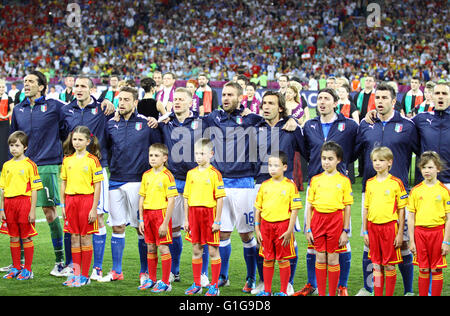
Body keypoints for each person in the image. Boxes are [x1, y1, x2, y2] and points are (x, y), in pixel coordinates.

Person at [202, 81, 297, 292]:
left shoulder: (253, 119)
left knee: (247, 235)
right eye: (223, 94)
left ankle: (253, 278)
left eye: (230, 95)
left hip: (245, 182)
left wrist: (292, 119)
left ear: (240, 97)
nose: (225, 98)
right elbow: (187, 118)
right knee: (222, 233)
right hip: (220, 184)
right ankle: (223, 277)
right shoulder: (212, 118)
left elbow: (276, 120)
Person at [355, 82, 419, 296]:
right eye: (377, 98)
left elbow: (420, 153)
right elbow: (355, 152)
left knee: (401, 243)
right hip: (370, 190)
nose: (380, 102)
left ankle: (408, 290)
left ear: (394, 101)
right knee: (369, 244)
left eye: (384, 98)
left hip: (398, 193)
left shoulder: (408, 126)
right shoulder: (366, 125)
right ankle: (368, 287)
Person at [296, 88, 358, 297]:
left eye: (326, 99)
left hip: (338, 187)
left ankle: (341, 285)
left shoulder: (348, 125)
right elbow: (307, 151)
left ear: (335, 103)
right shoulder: (309, 125)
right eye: (319, 98)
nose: (322, 102)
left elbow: (356, 148)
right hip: (315, 184)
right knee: (313, 242)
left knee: (341, 244)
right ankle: (312, 284)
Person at [101, 86, 161, 284]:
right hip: (115, 180)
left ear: (136, 102)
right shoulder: (110, 124)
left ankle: (144, 272)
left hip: (138, 183)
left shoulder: (147, 124)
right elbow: (104, 148)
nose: (122, 103)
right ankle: (117, 270)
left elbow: (157, 150)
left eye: (127, 99)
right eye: (120, 99)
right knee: (117, 227)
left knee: (140, 229)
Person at [10, 70, 67, 276]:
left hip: (47, 165)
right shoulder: (18, 109)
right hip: (23, 167)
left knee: (50, 212)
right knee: (21, 213)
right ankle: (21, 262)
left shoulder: (55, 107)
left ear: (42, 86)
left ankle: (61, 261)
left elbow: (68, 127)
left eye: (31, 81)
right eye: (25, 81)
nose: (26, 84)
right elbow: (15, 138)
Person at [60, 76, 115, 280]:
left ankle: (97, 268)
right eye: (77, 86)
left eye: (84, 86)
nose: (79, 89)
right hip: (75, 170)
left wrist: (110, 102)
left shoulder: (103, 109)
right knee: (74, 226)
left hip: (97, 168)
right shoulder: (66, 110)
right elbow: (62, 135)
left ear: (92, 89)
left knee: (98, 217)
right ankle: (74, 269)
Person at [253, 90, 305, 295]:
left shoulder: (291, 128)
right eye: (264, 103)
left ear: (281, 108)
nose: (265, 106)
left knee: (288, 237)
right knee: (263, 237)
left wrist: (294, 121)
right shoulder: (256, 128)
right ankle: (263, 283)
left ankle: (288, 282)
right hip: (261, 185)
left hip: (285, 187)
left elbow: (306, 151)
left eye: (271, 103)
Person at [158, 87, 206, 284]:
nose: (177, 102)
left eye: (181, 99)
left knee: (200, 231)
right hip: (175, 180)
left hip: (198, 181)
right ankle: (175, 270)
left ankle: (203, 274)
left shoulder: (202, 123)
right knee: (175, 228)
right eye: (174, 99)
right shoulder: (165, 124)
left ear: (190, 102)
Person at [305, 141, 353, 296]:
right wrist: (308, 228)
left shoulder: (344, 181)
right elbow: (309, 206)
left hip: (335, 221)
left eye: (330, 158)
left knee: (333, 259)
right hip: (318, 221)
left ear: (338, 160)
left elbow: (347, 207)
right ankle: (322, 293)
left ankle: (332, 293)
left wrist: (345, 230)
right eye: (324, 158)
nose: (326, 161)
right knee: (319, 258)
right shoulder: (315, 179)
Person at [60, 126, 103, 287]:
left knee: (85, 237)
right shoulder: (67, 160)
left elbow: (98, 186)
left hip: (86, 201)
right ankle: (76, 274)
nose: (76, 142)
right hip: (71, 202)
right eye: (74, 139)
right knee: (74, 237)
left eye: (80, 139)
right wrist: (63, 204)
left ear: (87, 141)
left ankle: (85, 275)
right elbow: (63, 183)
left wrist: (94, 207)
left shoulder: (93, 160)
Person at [254, 151, 302, 296]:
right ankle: (267, 291)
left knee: (282, 260)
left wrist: (289, 230)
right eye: (270, 165)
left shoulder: (290, 186)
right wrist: (257, 227)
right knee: (267, 258)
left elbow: (294, 210)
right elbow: (258, 208)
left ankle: (283, 291)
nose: (272, 168)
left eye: (276, 165)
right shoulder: (264, 185)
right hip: (266, 227)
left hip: (283, 227)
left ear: (285, 167)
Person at [362, 146, 407, 296]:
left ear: (390, 162)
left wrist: (400, 233)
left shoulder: (396, 183)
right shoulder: (369, 183)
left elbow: (402, 210)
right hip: (373, 228)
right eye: (375, 160)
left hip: (390, 228)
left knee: (388, 266)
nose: (377, 163)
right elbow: (366, 208)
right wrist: (365, 231)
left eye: (381, 160)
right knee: (376, 265)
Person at [183, 138, 225, 296]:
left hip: (209, 215)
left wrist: (217, 220)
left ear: (211, 154)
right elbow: (186, 198)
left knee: (213, 251)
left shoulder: (215, 174)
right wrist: (186, 219)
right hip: (194, 215)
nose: (198, 156)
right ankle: (197, 284)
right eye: (196, 153)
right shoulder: (191, 174)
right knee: (196, 249)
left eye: (202, 153)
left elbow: (220, 198)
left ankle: (214, 286)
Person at [0, 131, 43, 280]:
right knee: (13, 237)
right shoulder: (6, 165)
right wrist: (1, 209)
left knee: (26, 237)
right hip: (9, 204)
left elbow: (35, 189)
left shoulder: (31, 165)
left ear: (25, 147)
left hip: (24, 203)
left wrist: (32, 210)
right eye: (11, 145)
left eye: (17, 145)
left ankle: (28, 270)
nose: (13, 148)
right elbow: (3, 189)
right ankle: (16, 267)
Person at [408, 151, 450, 296]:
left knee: (436, 269)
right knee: (423, 269)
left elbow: (449, 218)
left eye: (431, 167)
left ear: (438, 168)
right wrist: (412, 240)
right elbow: (411, 217)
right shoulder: (415, 190)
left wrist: (446, 241)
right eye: (424, 167)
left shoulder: (444, 191)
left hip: (438, 233)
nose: (427, 171)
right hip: (420, 234)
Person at [137, 143, 177, 293]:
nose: (153, 158)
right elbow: (142, 197)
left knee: (163, 247)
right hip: (147, 215)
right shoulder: (146, 175)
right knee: (150, 246)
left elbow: (172, 200)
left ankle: (166, 282)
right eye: (151, 156)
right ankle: (152, 279)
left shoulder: (168, 176)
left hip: (161, 215)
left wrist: (165, 223)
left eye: (156, 156)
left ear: (165, 158)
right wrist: (141, 218)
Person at [0, 79, 13, 171]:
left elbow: (12, 110)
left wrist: (5, 116)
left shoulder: (8, 98)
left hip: (4, 123)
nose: (1, 89)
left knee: (4, 144)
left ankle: (3, 165)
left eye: (3, 87)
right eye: (0, 87)